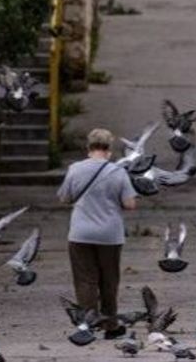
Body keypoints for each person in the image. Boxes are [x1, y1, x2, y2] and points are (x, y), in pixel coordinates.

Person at [57, 128, 138, 340]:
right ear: (109, 149)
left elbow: (64, 198)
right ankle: (111, 326)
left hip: (80, 234)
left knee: (85, 280)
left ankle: (87, 326)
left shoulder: (75, 169)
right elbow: (130, 204)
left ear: (88, 147)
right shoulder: (118, 172)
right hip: (110, 235)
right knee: (109, 281)